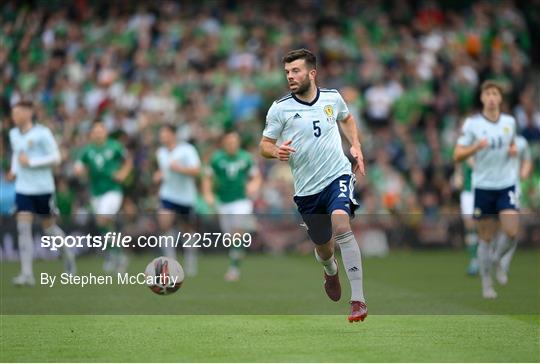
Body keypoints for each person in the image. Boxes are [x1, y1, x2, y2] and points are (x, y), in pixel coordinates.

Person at [259, 49, 367, 322]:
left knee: (342, 223)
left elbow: (347, 118)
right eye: (287, 72)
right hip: (307, 191)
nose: (290, 77)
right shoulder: (280, 108)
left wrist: (355, 145)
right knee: (324, 247)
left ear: (312, 73)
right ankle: (330, 272)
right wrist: (276, 152)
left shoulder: (332, 98)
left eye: (295, 71)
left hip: (338, 176)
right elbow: (264, 145)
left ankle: (358, 300)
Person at [454, 80, 520, 299]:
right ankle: (486, 284)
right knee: (485, 237)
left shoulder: (510, 122)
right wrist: (476, 147)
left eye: (495, 94)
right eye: (487, 93)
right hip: (483, 186)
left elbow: (511, 145)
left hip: (506, 183)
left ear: (500, 98)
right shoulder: (472, 124)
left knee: (511, 231)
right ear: (482, 98)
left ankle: (497, 260)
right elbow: (458, 154)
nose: (491, 97)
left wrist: (512, 151)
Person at [7, 100, 76, 285]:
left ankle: (68, 255)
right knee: (23, 228)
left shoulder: (42, 133)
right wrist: (14, 170)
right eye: (13, 113)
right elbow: (17, 153)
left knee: (49, 229)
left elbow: (56, 158)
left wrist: (31, 163)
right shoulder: (13, 133)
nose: (14, 116)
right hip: (23, 188)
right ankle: (27, 274)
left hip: (43, 188)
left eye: (17, 112)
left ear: (28, 113)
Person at [203, 130, 261, 282]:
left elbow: (256, 177)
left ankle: (234, 269)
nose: (232, 145)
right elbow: (207, 178)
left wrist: (254, 185)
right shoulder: (216, 159)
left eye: (235, 142)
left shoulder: (246, 158)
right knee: (231, 238)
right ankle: (238, 249)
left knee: (237, 232)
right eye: (229, 142)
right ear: (224, 143)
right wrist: (208, 194)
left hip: (241, 201)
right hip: (223, 202)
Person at [74, 121, 132, 273]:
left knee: (102, 219)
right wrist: (79, 170)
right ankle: (116, 254)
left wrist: (123, 173)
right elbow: (79, 165)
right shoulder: (87, 150)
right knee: (104, 225)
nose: (98, 133)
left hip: (113, 189)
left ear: (105, 132)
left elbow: (128, 160)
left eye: (101, 130)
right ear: (91, 133)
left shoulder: (115, 146)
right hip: (96, 192)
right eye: (95, 131)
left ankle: (115, 255)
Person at [154, 124, 201, 275]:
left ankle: (190, 260)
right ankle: (170, 262)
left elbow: (196, 170)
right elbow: (165, 171)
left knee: (187, 231)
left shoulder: (187, 150)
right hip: (168, 194)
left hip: (186, 197)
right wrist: (159, 175)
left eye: (165, 133)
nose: (162, 136)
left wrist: (179, 168)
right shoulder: (160, 152)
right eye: (161, 134)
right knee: (164, 224)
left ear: (173, 134)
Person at [494, 134, 532, 284]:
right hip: (493, 188)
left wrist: (524, 174)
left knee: (512, 230)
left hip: (512, 189)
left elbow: (527, 161)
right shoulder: (493, 140)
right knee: (496, 228)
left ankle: (502, 263)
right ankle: (495, 260)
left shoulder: (522, 142)